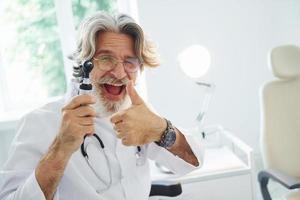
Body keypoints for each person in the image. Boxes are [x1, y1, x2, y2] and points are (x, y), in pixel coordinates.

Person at [0, 11, 203, 200]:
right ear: (83, 64)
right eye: (106, 59)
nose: (119, 73)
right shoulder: (39, 123)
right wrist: (60, 148)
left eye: (129, 62)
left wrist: (161, 129)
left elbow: (195, 161)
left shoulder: (138, 113)